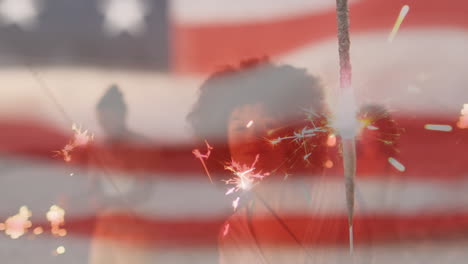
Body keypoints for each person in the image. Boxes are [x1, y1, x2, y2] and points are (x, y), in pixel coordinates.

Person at [187, 58, 331, 263]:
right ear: (222, 144)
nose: (253, 137)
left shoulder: (334, 205)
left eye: (268, 125)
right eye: (240, 128)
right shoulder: (233, 233)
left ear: (294, 136)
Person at [88, 84, 157, 264]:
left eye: (108, 119)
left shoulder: (141, 147)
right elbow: (94, 187)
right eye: (101, 120)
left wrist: (113, 202)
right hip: (105, 228)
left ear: (121, 115)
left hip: (133, 227)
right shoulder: (98, 148)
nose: (104, 125)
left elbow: (144, 191)